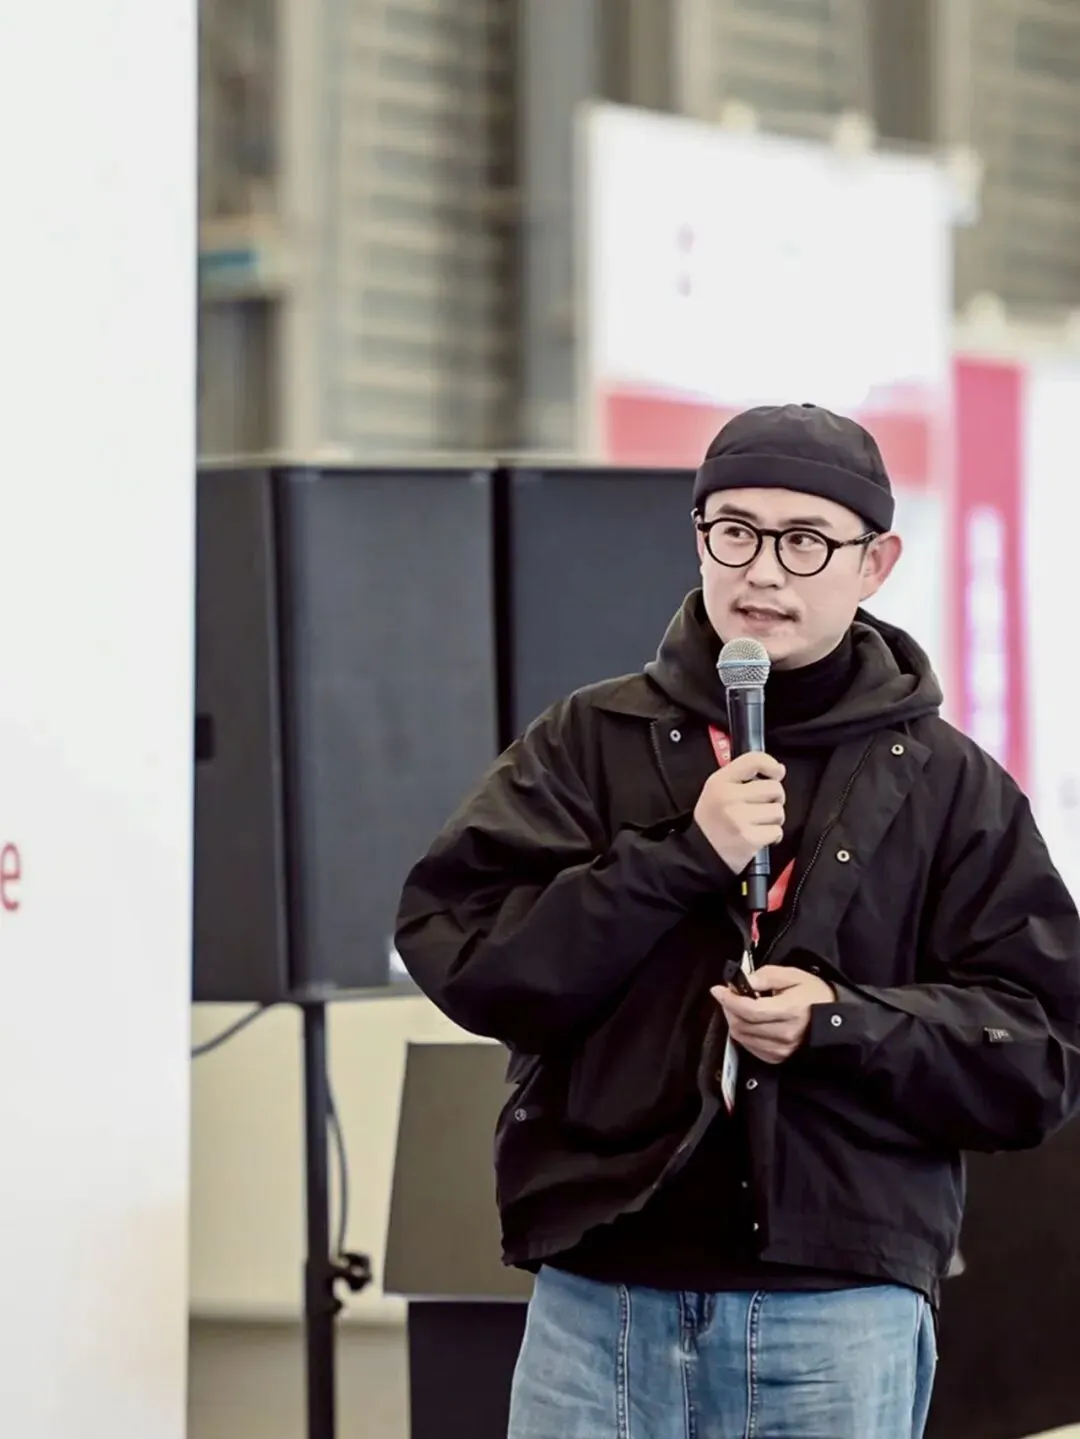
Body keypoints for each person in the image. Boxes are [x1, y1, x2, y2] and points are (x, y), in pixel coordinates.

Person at [394, 403, 1080, 1439]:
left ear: (876, 562)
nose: (762, 571)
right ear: (699, 537)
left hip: (836, 1304)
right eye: (735, 531)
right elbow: (465, 950)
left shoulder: (951, 786)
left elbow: (1040, 1052)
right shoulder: (591, 739)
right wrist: (680, 856)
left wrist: (838, 1023)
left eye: (805, 541)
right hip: (603, 1292)